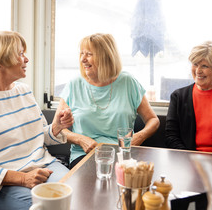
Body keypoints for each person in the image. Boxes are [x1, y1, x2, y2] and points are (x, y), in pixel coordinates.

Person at [0, 31, 74, 210]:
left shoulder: (23, 91)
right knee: (49, 207)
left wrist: (57, 127)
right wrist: (23, 178)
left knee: (77, 194)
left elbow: (40, 136)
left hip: (46, 167)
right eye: (20, 53)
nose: (26, 59)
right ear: (1, 58)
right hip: (4, 185)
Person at [58, 33, 160, 168]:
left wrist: (139, 137)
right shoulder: (74, 85)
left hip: (122, 154)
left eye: (89, 54)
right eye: (81, 53)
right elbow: (58, 128)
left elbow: (153, 120)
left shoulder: (128, 82)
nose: (83, 59)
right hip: (84, 155)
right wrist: (80, 139)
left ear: (106, 57)